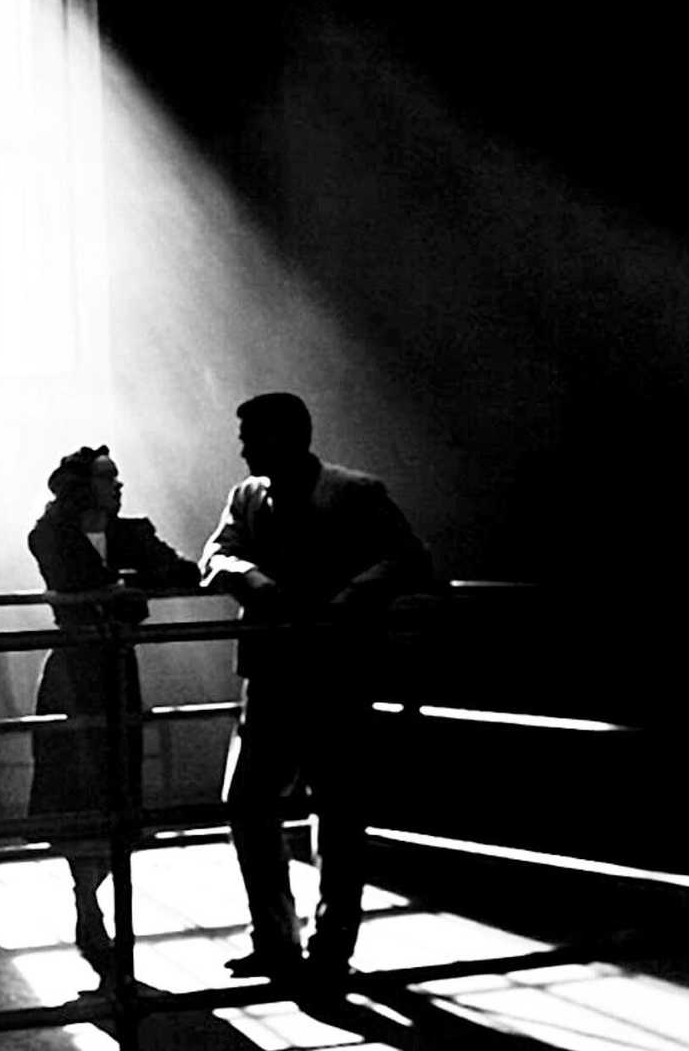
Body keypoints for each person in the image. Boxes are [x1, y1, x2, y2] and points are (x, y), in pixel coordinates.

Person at [199, 393, 435, 986]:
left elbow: (408, 557)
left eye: (252, 434)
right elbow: (217, 553)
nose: (243, 445)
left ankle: (328, 945)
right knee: (253, 805)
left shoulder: (356, 492)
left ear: (288, 436)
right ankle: (281, 940)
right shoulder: (248, 495)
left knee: (337, 810)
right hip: (275, 675)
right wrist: (250, 578)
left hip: (334, 674)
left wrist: (352, 598)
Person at [28, 445, 199, 984]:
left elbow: (178, 572)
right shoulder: (51, 533)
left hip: (117, 669)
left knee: (119, 786)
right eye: (109, 479)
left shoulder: (130, 531)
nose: (119, 487)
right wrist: (119, 590)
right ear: (83, 487)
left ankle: (97, 901)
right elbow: (76, 585)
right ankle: (89, 904)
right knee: (77, 788)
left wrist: (128, 589)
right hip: (75, 672)